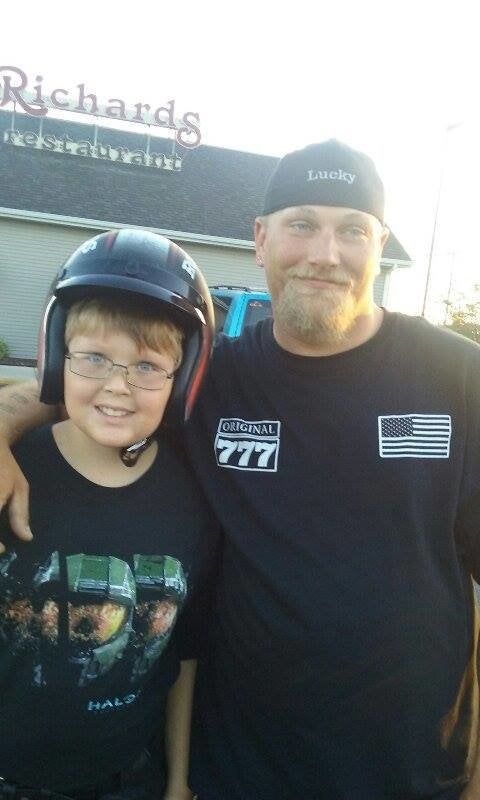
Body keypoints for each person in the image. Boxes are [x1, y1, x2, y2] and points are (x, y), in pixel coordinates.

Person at [1, 139, 480, 800]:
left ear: (379, 247)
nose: (324, 253)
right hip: (242, 765)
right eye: (302, 224)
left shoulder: (460, 378)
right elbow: (89, 393)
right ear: (260, 238)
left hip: (408, 766)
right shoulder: (211, 382)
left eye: (352, 231)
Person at [0, 229, 217, 800]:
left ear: (184, 377)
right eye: (94, 357)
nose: (118, 386)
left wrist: (177, 781)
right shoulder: (9, 473)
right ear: (55, 356)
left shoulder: (193, 500)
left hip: (126, 780)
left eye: (148, 366)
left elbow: (182, 656)